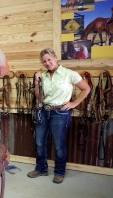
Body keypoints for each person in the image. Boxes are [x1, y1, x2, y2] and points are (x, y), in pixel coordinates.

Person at [27, 48, 90, 184]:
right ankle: (41, 169)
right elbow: (39, 96)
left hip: (60, 113)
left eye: (49, 59)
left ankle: (59, 172)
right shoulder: (43, 76)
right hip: (44, 111)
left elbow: (86, 88)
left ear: (55, 58)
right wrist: (37, 81)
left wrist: (74, 103)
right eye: (44, 61)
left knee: (59, 145)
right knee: (39, 143)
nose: (47, 63)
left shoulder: (69, 74)